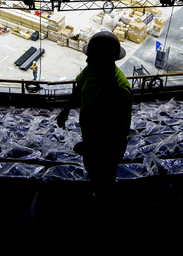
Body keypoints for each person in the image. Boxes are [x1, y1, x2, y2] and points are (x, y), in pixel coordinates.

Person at [56, 31, 133, 194]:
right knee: (92, 173)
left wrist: (90, 147)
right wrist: (66, 110)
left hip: (106, 153)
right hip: (90, 141)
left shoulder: (119, 90)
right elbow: (79, 86)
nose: (87, 60)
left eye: (92, 57)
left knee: (103, 183)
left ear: (106, 61)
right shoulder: (93, 69)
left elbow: (118, 132)